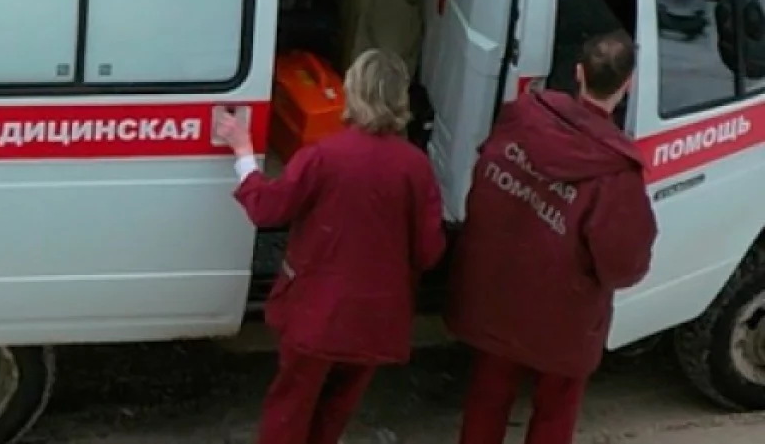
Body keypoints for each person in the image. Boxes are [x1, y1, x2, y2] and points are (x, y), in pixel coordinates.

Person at [216, 49, 446, 444]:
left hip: (317, 315)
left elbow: (267, 209)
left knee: (290, 411)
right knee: (335, 411)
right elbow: (429, 251)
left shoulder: (324, 156)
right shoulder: (416, 167)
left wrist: (243, 153)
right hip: (375, 320)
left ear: (352, 91)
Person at [445, 30, 658, 444]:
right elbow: (625, 265)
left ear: (578, 72)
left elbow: (483, 186)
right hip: (564, 319)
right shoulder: (616, 174)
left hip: (499, 293)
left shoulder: (524, 118)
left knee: (488, 394)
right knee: (555, 411)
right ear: (628, 84)